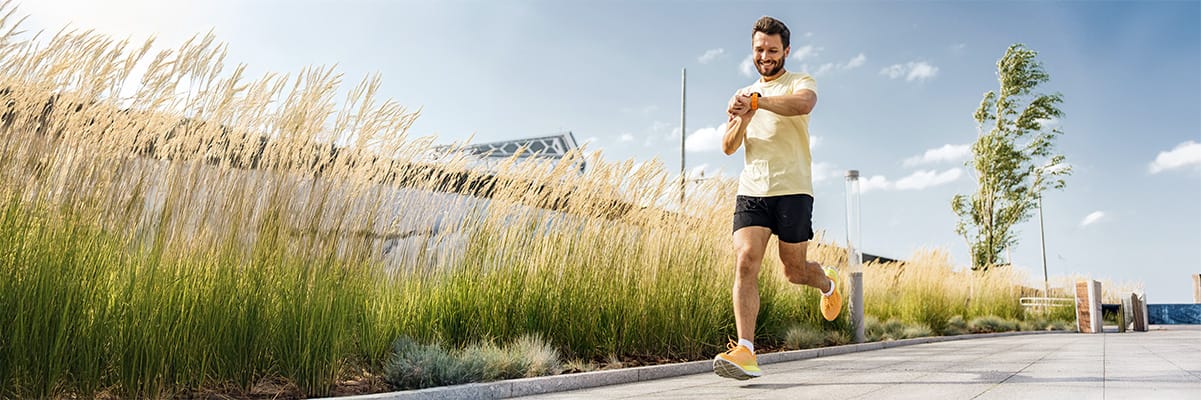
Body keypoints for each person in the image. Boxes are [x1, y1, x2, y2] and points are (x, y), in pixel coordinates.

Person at [712, 15, 841, 381]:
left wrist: (758, 102)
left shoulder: (800, 82)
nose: (764, 56)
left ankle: (826, 282)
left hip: (794, 189)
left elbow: (802, 105)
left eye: (771, 49)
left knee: (793, 271)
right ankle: (746, 351)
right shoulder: (743, 93)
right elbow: (727, 147)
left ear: (786, 50)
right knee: (746, 260)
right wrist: (744, 117)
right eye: (758, 49)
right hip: (753, 190)